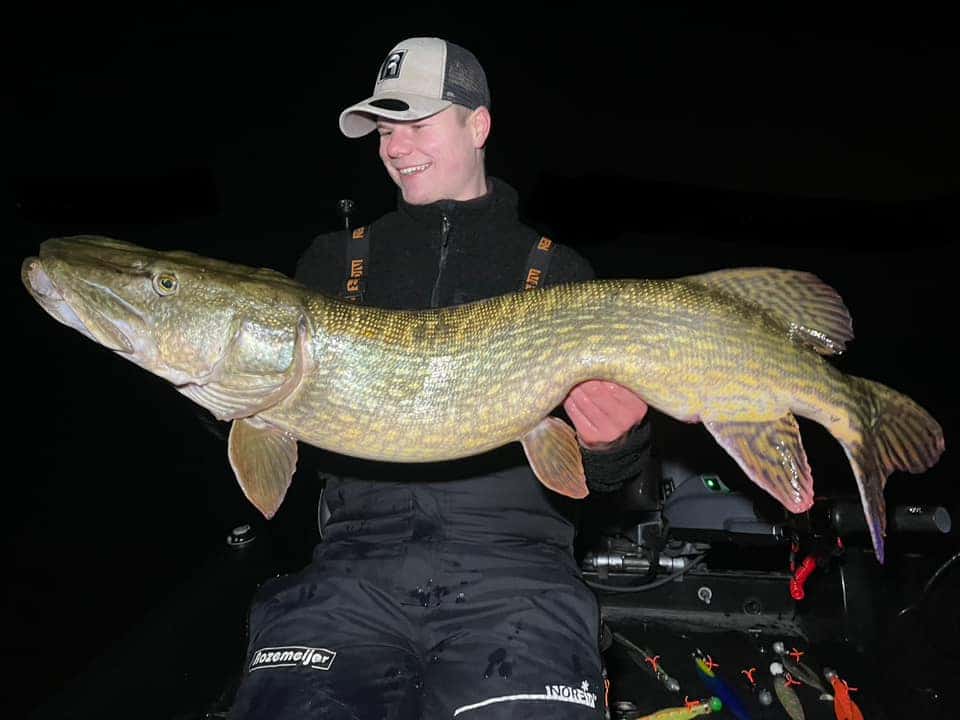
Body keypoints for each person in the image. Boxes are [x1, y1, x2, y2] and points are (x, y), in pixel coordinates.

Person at [227, 37, 657, 719]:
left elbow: (605, 483)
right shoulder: (334, 262)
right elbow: (273, 428)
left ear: (477, 125)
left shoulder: (557, 272)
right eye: (384, 130)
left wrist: (617, 444)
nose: (395, 148)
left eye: (418, 125)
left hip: (518, 575)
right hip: (353, 568)